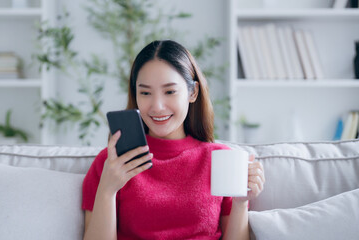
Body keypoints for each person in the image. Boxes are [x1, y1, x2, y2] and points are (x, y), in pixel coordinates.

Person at [82, 40, 265, 239]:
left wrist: (241, 203)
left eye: (169, 91)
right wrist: (107, 190)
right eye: (145, 93)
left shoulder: (220, 160)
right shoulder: (111, 164)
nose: (157, 106)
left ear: (192, 92)